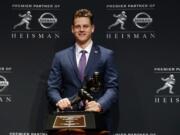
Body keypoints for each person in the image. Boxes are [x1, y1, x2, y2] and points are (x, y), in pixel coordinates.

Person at [47, 9, 119, 132]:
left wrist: (99, 105)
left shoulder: (106, 55)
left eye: (85, 26)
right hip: (68, 121)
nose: (81, 29)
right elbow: (52, 88)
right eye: (78, 26)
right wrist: (59, 100)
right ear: (72, 29)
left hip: (97, 121)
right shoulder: (60, 56)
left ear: (92, 28)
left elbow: (112, 88)